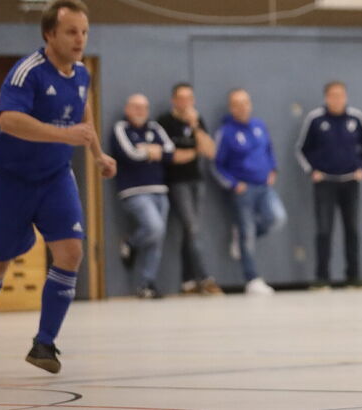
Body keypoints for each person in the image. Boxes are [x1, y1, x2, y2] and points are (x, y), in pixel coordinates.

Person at [0, 0, 118, 373]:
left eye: (84, 32)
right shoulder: (28, 72)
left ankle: (44, 344)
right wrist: (63, 133)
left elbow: (83, 112)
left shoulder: (81, 74)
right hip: (10, 179)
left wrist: (97, 154)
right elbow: (8, 119)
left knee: (71, 252)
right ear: (49, 34)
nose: (80, 40)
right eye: (71, 32)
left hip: (55, 176)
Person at [295, 81, 362, 288]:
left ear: (345, 97)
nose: (337, 99)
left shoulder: (356, 118)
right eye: (333, 95)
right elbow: (302, 149)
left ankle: (354, 276)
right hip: (325, 183)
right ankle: (322, 277)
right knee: (323, 229)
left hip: (350, 181)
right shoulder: (315, 119)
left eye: (340, 95)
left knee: (353, 229)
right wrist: (313, 171)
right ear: (326, 98)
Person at [214, 88, 287, 296]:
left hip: (264, 185)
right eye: (237, 104)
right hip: (242, 189)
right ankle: (252, 278)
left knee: (277, 218)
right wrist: (233, 183)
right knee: (246, 233)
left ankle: (242, 237)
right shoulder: (226, 132)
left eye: (246, 102)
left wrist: (273, 169)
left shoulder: (259, 126)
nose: (243, 107)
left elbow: (269, 149)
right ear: (231, 108)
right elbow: (217, 164)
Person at [156, 83, 221, 296]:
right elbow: (171, 156)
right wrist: (195, 151)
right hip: (176, 181)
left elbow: (210, 151)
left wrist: (195, 126)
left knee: (190, 231)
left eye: (189, 98)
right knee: (192, 228)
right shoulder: (164, 122)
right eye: (181, 98)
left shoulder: (196, 120)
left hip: (196, 180)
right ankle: (204, 277)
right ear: (174, 100)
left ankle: (187, 281)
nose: (185, 103)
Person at [111, 94, 175, 299]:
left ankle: (146, 284)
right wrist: (151, 152)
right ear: (127, 109)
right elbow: (128, 153)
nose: (140, 111)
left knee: (157, 238)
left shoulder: (154, 128)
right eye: (136, 107)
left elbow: (170, 151)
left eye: (144, 107)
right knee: (154, 228)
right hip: (134, 191)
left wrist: (147, 150)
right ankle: (131, 243)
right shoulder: (121, 128)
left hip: (159, 190)